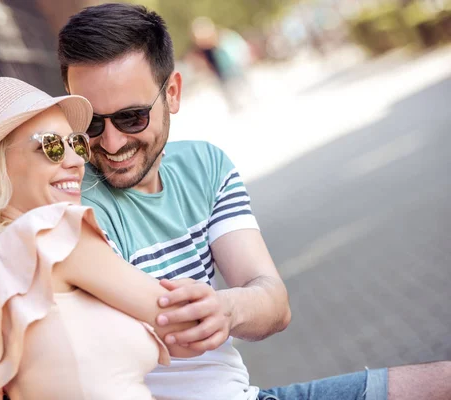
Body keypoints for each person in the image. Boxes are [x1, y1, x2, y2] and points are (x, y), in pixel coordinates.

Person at [57, 3, 451, 400]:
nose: (111, 142)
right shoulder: (71, 203)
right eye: (91, 123)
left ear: (172, 93)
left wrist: (225, 309)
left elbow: (273, 304)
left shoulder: (205, 167)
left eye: (131, 117)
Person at [0, 77, 204, 400]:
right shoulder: (52, 230)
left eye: (77, 143)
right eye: (49, 145)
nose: (77, 160)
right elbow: (189, 324)